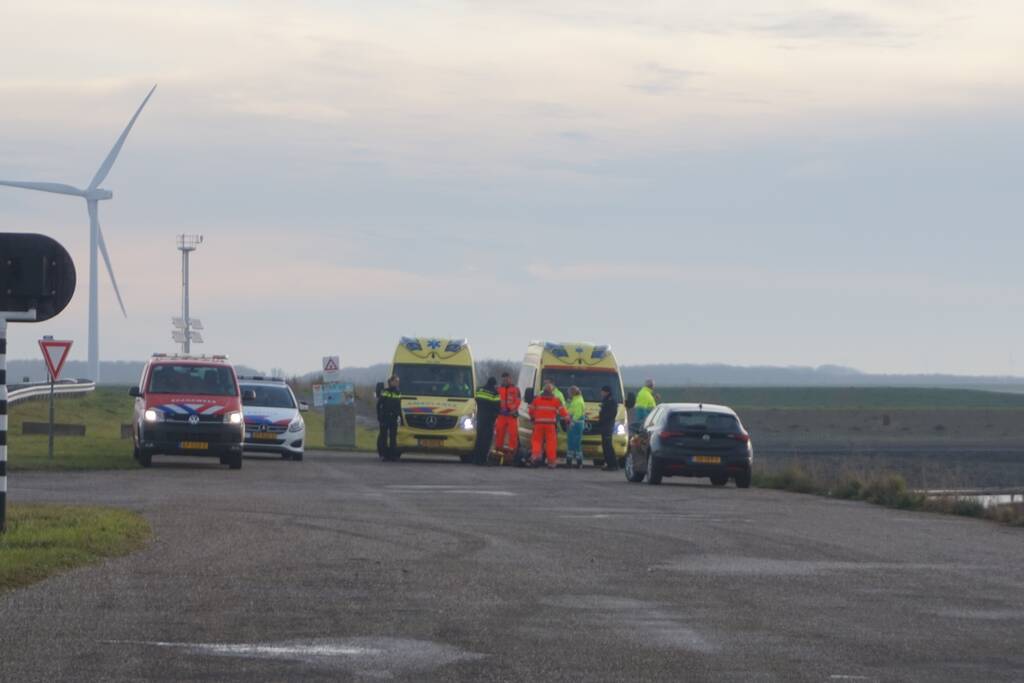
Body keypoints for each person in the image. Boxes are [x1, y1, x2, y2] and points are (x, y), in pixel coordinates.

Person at [529, 381, 569, 469]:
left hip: (538, 424)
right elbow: (563, 412)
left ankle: (535, 458)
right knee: (551, 443)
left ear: (543, 390)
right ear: (552, 391)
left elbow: (531, 410)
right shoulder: (556, 400)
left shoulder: (537, 400)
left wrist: (532, 417)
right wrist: (567, 419)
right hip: (550, 425)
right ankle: (551, 462)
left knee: (537, 441)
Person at [472, 377, 500, 466]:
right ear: (494, 384)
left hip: (480, 418)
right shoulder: (495, 393)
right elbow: (497, 407)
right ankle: (483, 460)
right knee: (486, 440)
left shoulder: (479, 390)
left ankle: (476, 459)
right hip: (489, 420)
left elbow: (475, 401)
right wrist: (494, 417)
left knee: (479, 439)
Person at [494, 373, 521, 462]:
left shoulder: (516, 389)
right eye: (503, 380)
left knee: (513, 433)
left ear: (510, 379)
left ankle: (512, 452)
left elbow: (518, 401)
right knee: (499, 432)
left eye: (506, 379)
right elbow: (496, 401)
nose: (505, 381)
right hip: (501, 415)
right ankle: (498, 451)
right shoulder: (498, 389)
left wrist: (512, 409)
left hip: (511, 415)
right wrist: (498, 409)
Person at [376, 375, 403, 461]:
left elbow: (399, 406)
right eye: (396, 381)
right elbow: (379, 404)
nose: (397, 383)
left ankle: (392, 455)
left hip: (393, 418)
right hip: (385, 417)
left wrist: (401, 417)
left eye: (398, 381)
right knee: (384, 437)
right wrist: (379, 416)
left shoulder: (398, 392)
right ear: (391, 382)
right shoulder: (385, 392)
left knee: (393, 437)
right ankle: (384, 455)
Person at [597, 385, 619, 471]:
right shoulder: (606, 400)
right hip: (604, 425)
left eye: (602, 391)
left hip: (607, 425)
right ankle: (609, 464)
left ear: (607, 392)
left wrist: (604, 418)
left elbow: (612, 413)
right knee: (605, 446)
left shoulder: (611, 401)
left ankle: (612, 465)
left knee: (608, 446)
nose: (601, 393)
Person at [565, 385, 586, 469]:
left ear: (572, 393)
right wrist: (568, 403)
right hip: (576, 423)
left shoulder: (578, 401)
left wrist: (572, 421)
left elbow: (578, 413)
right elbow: (568, 409)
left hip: (576, 423)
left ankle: (574, 462)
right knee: (573, 442)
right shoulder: (576, 400)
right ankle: (575, 461)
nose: (568, 394)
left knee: (575, 443)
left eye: (569, 393)